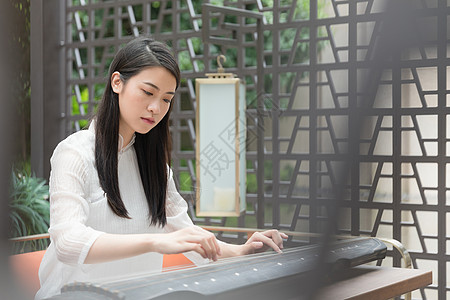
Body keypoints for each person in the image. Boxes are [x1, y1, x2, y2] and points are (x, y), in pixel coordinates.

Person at [35, 36, 288, 300]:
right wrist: (155, 241)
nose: (156, 108)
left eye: (166, 99)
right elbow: (68, 242)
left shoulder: (154, 167)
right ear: (117, 82)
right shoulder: (74, 153)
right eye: (148, 92)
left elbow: (186, 237)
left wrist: (242, 251)